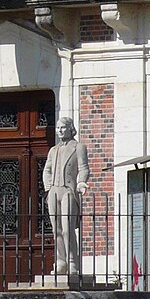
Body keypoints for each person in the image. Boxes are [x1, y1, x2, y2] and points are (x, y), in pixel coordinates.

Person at [42, 115, 90, 276]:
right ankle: (60, 262)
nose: (60, 131)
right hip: (54, 191)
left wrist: (81, 182)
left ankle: (72, 262)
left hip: (68, 190)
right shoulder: (53, 150)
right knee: (57, 229)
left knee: (68, 228)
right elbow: (47, 170)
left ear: (71, 128)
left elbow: (84, 168)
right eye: (58, 128)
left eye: (63, 127)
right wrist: (48, 188)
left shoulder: (78, 147)